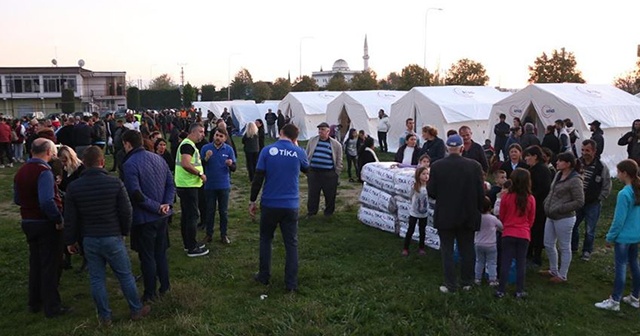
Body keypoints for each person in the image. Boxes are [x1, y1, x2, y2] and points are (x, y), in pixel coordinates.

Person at [63, 146, 150, 325]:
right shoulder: (115, 183)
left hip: (89, 238)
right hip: (112, 235)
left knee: (96, 278)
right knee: (125, 275)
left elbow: (70, 218)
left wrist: (70, 241)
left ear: (84, 164)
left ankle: (105, 316)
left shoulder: (73, 187)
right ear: (102, 162)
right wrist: (124, 231)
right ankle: (136, 309)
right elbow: (127, 212)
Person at [249, 124, 309, 292]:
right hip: (290, 204)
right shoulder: (299, 152)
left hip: (270, 203)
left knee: (266, 239)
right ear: (295, 137)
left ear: (280, 133)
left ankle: (264, 276)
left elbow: (258, 177)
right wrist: (296, 149)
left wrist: (252, 200)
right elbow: (307, 170)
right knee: (291, 244)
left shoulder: (267, 151)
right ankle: (291, 284)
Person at [14, 138, 69, 318]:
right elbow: (47, 200)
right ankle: (52, 307)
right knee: (50, 267)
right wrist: (57, 218)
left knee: (36, 263)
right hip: (45, 223)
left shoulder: (21, 171)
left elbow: (17, 199)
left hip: (28, 221)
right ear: (47, 152)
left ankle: (34, 301)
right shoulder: (44, 172)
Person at [122, 130, 175, 303]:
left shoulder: (130, 164)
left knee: (147, 256)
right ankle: (165, 286)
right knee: (160, 253)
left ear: (128, 144)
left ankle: (150, 292)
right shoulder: (158, 158)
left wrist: (156, 207)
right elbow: (170, 184)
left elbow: (135, 194)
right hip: (162, 216)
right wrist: (165, 205)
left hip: (145, 217)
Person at [428, 134, 485, 293]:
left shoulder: (437, 166)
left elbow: (431, 192)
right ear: (461, 148)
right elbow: (481, 193)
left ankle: (450, 284)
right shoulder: (474, 166)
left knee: (447, 251)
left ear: (447, 148)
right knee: (467, 249)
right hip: (467, 214)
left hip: (445, 215)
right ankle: (467, 282)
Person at [594, 159, 640, 311]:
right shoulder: (637, 190)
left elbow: (619, 220)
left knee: (620, 267)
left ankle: (615, 300)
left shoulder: (624, 193)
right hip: (636, 235)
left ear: (625, 173)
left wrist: (610, 237)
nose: (618, 174)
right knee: (634, 264)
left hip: (623, 237)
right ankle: (635, 297)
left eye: (619, 172)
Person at [541, 152, 585, 283]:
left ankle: (562, 274)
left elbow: (579, 201)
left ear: (568, 164)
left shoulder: (575, 180)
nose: (557, 163)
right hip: (551, 214)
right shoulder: (558, 175)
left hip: (564, 217)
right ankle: (553, 269)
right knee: (548, 243)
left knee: (564, 246)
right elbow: (552, 191)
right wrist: (547, 203)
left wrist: (561, 208)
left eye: (560, 161)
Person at [496, 168, 536, 299]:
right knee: (521, 262)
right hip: (524, 234)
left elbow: (501, 215)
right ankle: (519, 290)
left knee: (505, 261)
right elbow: (531, 218)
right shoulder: (530, 198)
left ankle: (501, 290)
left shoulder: (506, 197)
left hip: (508, 232)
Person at [571, 139, 611, 261]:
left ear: (594, 151)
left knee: (590, 229)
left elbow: (607, 184)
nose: (584, 153)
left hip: (593, 203)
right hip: (578, 201)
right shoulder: (577, 164)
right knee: (573, 225)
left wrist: (600, 197)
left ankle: (587, 251)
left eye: (587, 150)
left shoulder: (601, 167)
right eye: (582, 150)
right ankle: (573, 247)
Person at [174, 123, 209, 257]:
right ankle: (192, 247)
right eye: (200, 131)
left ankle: (188, 243)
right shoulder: (187, 145)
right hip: (188, 186)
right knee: (192, 216)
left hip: (186, 184)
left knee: (187, 215)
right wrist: (200, 174)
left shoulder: (187, 144)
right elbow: (185, 163)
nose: (203, 134)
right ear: (193, 132)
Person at [201, 127, 236, 244]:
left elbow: (234, 168)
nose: (218, 138)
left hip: (223, 185)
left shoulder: (229, 150)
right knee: (210, 211)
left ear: (225, 138)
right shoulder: (206, 148)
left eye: (221, 136)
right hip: (209, 185)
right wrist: (206, 158)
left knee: (223, 212)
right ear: (213, 136)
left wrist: (230, 165)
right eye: (216, 135)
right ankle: (209, 234)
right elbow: (200, 166)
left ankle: (223, 234)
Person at [305, 122, 343, 218]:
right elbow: (307, 153)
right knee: (313, 193)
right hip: (314, 172)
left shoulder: (336, 145)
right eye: (319, 129)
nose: (320, 131)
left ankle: (328, 213)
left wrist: (336, 173)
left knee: (330, 194)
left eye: (322, 129)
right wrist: (307, 169)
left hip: (329, 173)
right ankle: (312, 212)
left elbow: (339, 160)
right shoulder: (312, 141)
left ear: (328, 131)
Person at [523, 146, 552, 267]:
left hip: (539, 205)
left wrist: (530, 197)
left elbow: (543, 189)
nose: (526, 158)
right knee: (532, 229)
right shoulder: (533, 169)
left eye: (528, 156)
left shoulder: (541, 170)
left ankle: (536, 256)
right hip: (533, 203)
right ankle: (529, 253)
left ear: (535, 156)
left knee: (538, 230)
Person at [402, 167, 431, 256]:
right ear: (418, 176)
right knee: (410, 230)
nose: (426, 176)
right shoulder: (414, 186)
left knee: (422, 231)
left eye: (427, 174)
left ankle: (421, 248)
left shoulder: (429, 187)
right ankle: (406, 248)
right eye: (423, 174)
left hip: (424, 214)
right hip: (414, 213)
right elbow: (410, 196)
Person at [475, 196, 503, 287]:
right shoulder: (492, 218)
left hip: (478, 243)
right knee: (492, 262)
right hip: (491, 244)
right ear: (490, 207)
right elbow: (501, 227)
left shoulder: (477, 218)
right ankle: (492, 279)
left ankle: (477, 278)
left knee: (479, 261)